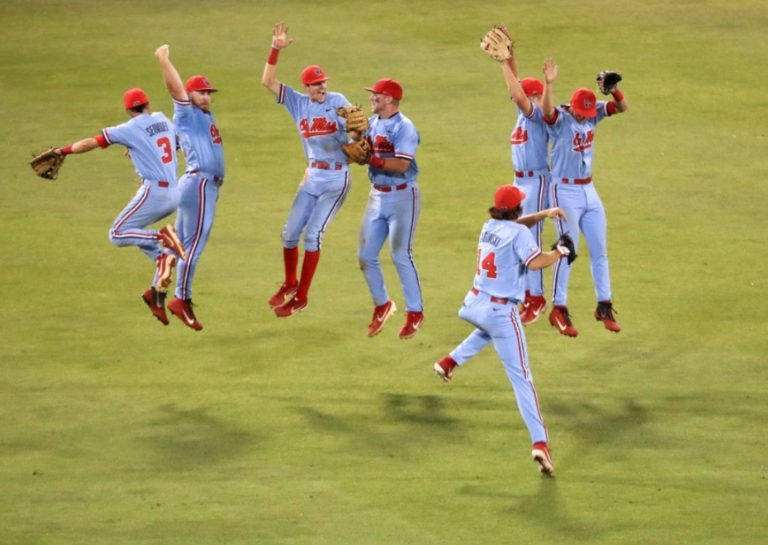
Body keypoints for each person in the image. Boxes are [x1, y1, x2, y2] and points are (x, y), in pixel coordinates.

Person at [432, 185, 571, 476]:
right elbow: (535, 263)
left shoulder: (489, 226)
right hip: (499, 310)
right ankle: (540, 443)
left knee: (491, 329)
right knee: (523, 378)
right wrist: (558, 252)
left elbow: (517, 226)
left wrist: (544, 214)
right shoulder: (518, 233)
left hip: (475, 303)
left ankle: (449, 362)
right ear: (516, 208)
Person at [46, 88, 186, 316]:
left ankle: (163, 238)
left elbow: (92, 142)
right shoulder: (161, 119)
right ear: (147, 105)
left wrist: (63, 151)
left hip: (154, 193)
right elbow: (174, 145)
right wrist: (141, 150)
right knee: (134, 230)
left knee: (118, 234)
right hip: (174, 193)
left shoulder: (128, 129)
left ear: (128, 110)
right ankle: (160, 266)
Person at [262, 22, 355, 317]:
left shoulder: (338, 101)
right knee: (289, 233)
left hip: (336, 177)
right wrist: (275, 48)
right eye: (316, 84)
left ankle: (302, 296)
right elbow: (268, 81)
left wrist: (357, 140)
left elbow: (357, 132)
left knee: (312, 235)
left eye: (324, 82)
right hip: (312, 176)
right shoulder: (298, 103)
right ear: (307, 87)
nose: (322, 87)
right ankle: (290, 282)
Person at [541, 58, 628, 337]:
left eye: (586, 113)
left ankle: (604, 305)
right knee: (567, 249)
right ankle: (559, 309)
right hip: (564, 189)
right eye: (580, 112)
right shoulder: (561, 119)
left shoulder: (594, 112)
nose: (583, 117)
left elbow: (622, 108)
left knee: (600, 249)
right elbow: (546, 111)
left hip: (589, 190)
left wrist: (614, 90)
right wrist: (548, 84)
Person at [154, 44, 225, 331]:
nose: (206, 96)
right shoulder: (187, 112)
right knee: (194, 244)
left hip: (197, 184)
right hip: (199, 184)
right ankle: (181, 299)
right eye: (201, 92)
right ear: (190, 95)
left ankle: (156, 292)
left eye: (208, 92)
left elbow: (175, 139)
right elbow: (175, 91)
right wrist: (164, 59)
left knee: (181, 244)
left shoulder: (203, 117)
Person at [356, 78, 424, 339]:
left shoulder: (404, 128)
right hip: (377, 196)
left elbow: (402, 166)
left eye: (376, 95)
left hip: (403, 196)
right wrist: (352, 142)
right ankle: (383, 305)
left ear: (389, 99)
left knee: (400, 254)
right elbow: (358, 150)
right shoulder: (371, 124)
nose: (372, 98)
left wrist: (372, 158)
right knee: (365, 256)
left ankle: (415, 312)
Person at [498, 46, 552, 325]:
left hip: (537, 179)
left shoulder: (537, 115)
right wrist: (509, 55)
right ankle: (527, 294)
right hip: (521, 182)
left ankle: (537, 297)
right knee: (517, 236)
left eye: (525, 95)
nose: (517, 97)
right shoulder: (523, 115)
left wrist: (500, 64)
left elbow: (517, 94)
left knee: (531, 238)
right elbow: (515, 89)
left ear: (533, 97)